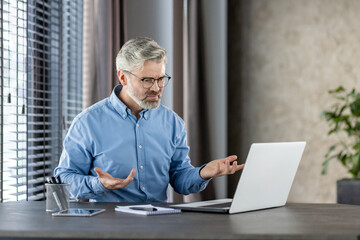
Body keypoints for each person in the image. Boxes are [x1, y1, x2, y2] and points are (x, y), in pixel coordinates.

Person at [54, 37, 244, 202]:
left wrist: (204, 173)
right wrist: (98, 184)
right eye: (147, 80)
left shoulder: (173, 123)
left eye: (161, 78)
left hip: (159, 226)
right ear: (123, 77)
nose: (156, 88)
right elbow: (63, 180)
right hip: (107, 226)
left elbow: (180, 180)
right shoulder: (88, 123)